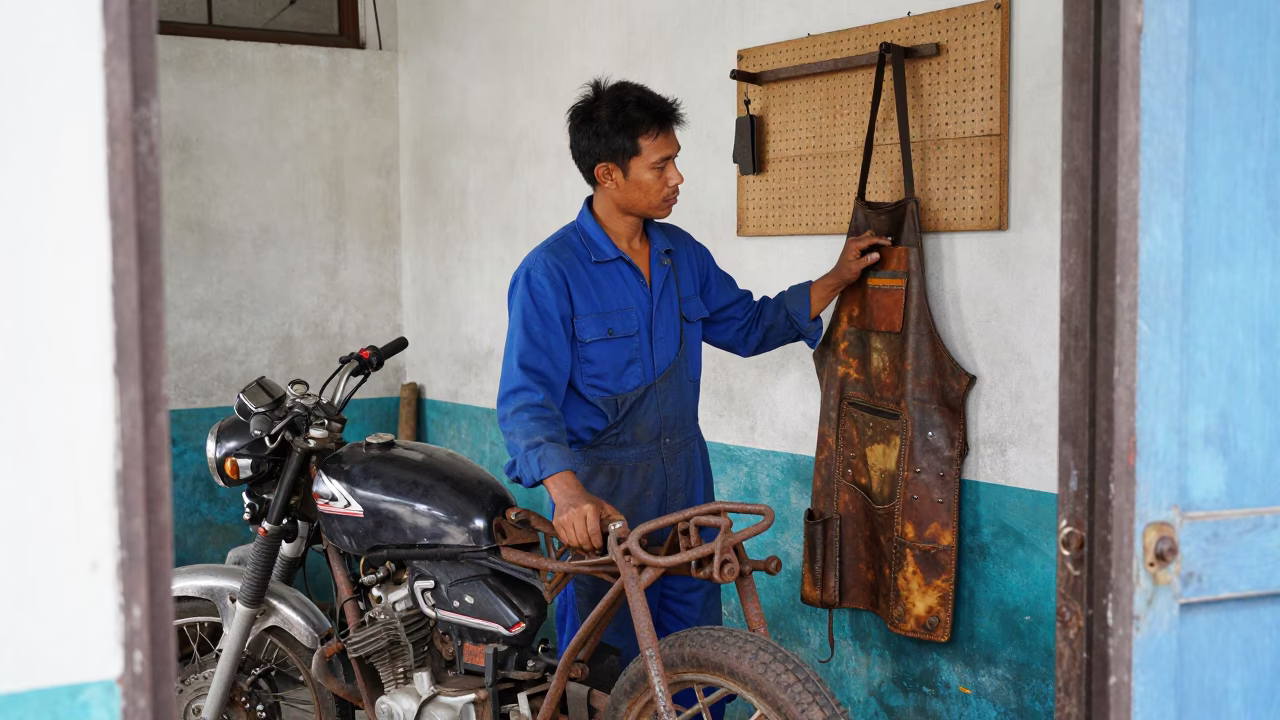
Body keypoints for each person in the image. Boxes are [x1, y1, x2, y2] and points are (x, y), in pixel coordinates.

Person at [496, 77, 888, 687]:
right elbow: (526, 400)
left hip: (688, 498)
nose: (678, 177)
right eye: (663, 164)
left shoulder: (682, 255)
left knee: (702, 665)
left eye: (675, 160)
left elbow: (750, 324)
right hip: (606, 506)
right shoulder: (550, 274)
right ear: (608, 174)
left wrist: (835, 279)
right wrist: (568, 494)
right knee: (608, 674)